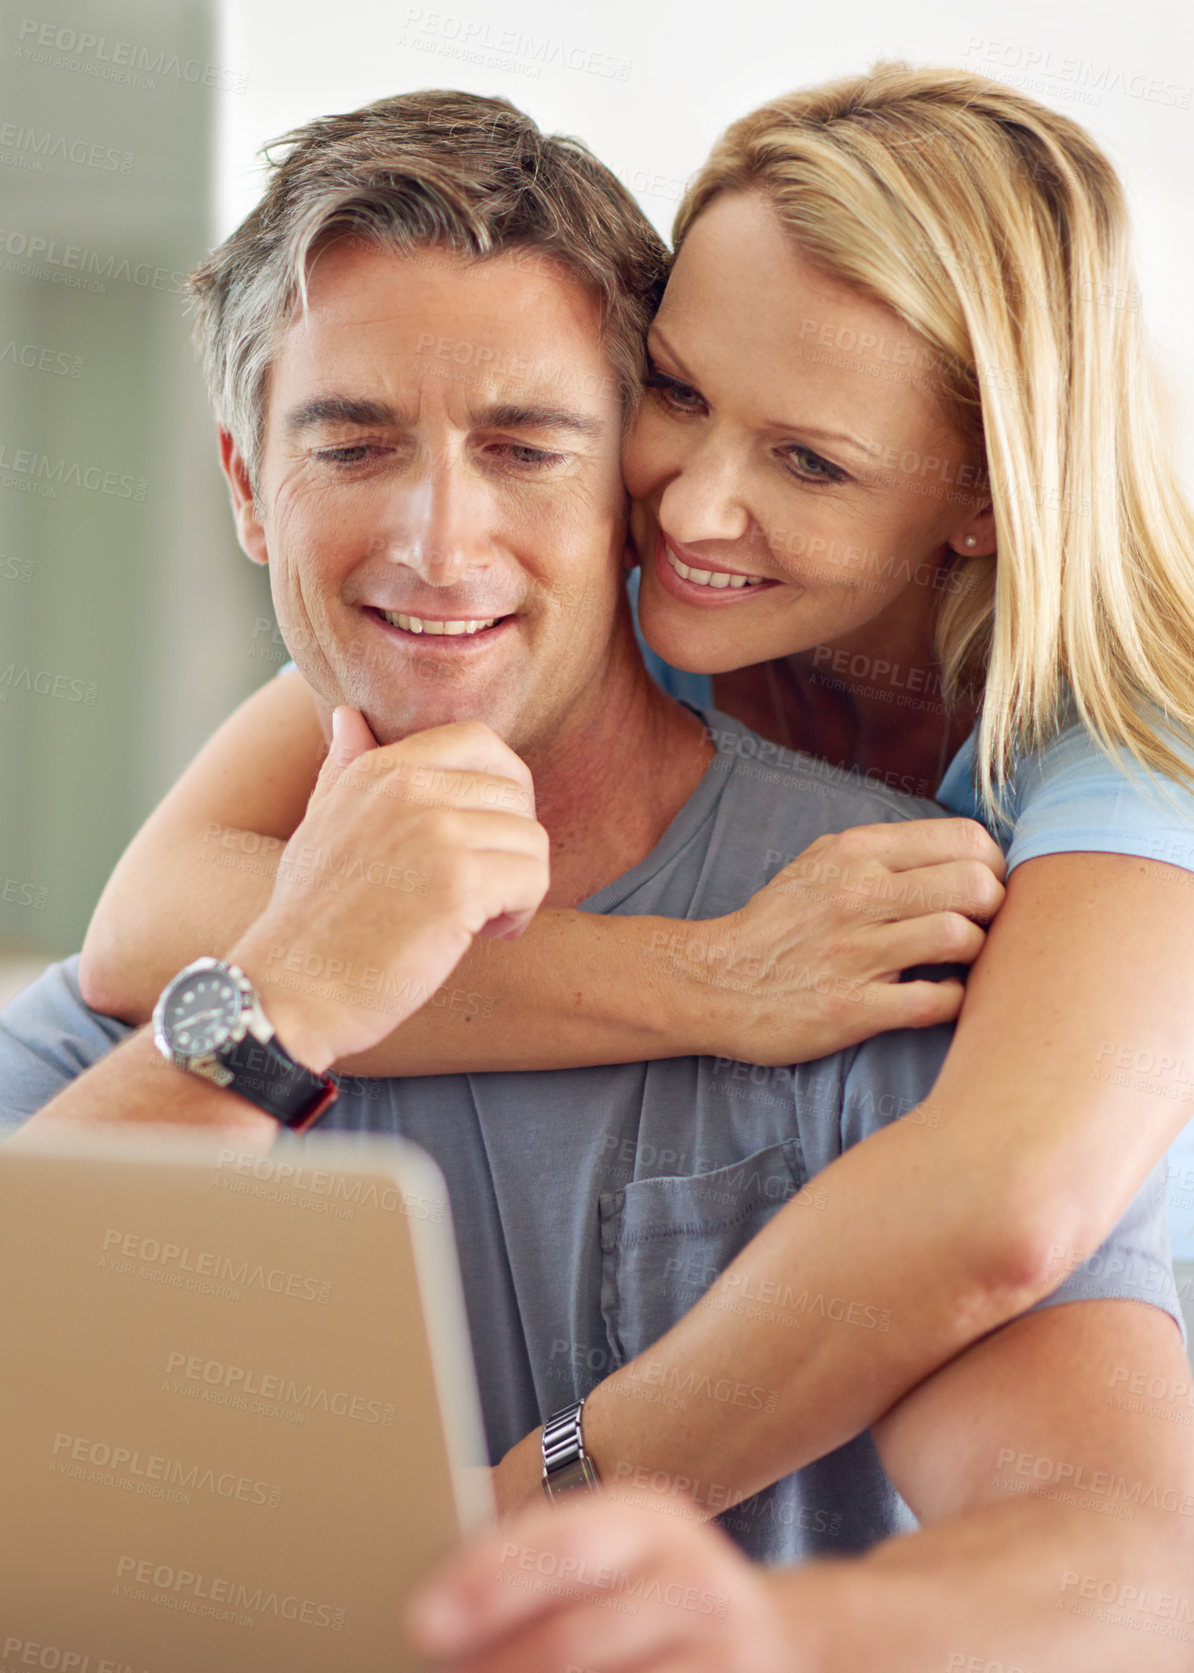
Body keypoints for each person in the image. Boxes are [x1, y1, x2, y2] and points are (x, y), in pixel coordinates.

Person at [1, 88, 1189, 1666]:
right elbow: (135, 939)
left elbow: (1113, 1515)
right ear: (242, 480)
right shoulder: (166, 1018)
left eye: (527, 444)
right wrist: (296, 991)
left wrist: (732, 1615)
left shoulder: (937, 924)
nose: (438, 543)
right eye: (351, 442)